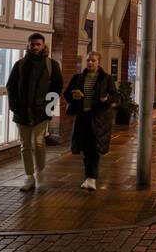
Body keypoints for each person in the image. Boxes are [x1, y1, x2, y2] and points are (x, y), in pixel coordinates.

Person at [7, 32, 63, 191]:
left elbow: (57, 87)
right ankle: (29, 176)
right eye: (33, 44)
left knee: (38, 143)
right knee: (25, 145)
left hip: (41, 112)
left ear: (44, 46)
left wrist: (49, 107)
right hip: (22, 112)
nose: (35, 47)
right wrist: (14, 106)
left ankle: (40, 172)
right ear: (28, 45)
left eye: (38, 44)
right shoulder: (20, 65)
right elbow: (11, 86)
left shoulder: (51, 65)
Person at [65, 51, 115, 191]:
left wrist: (107, 99)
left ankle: (91, 178)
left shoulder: (106, 78)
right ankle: (88, 178)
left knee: (93, 148)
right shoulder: (78, 78)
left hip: (98, 118)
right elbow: (67, 94)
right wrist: (73, 96)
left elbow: (115, 96)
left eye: (93, 60)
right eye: (88, 60)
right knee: (86, 148)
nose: (90, 63)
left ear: (99, 62)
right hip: (83, 117)